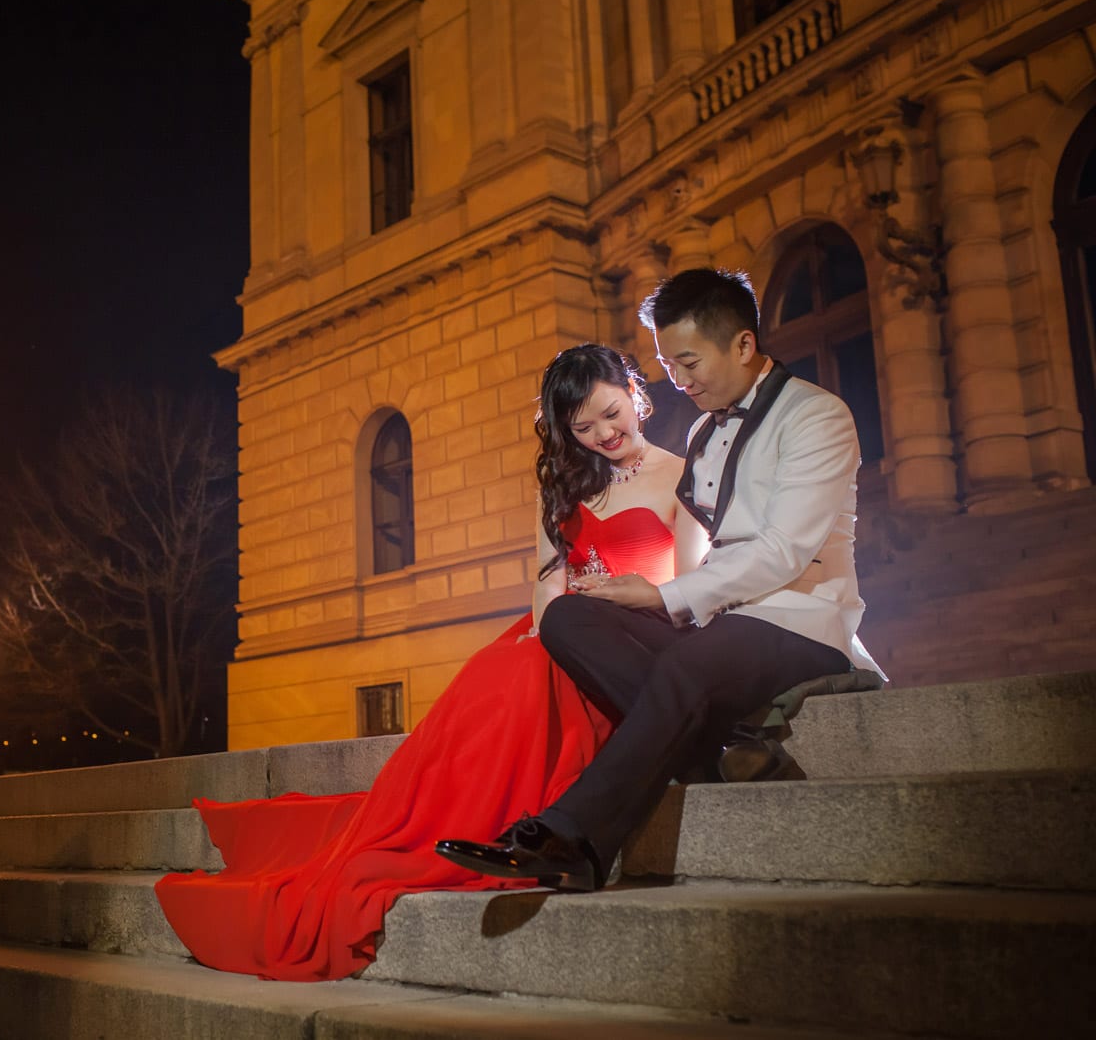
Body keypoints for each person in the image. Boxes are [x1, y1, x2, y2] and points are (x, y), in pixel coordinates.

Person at [155, 343, 690, 981]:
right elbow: (549, 578)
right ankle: (440, 813)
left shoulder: (682, 475)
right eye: (584, 428)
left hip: (630, 639)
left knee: (521, 677)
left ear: (633, 391)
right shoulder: (563, 482)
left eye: (610, 414)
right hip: (557, 632)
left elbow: (693, 588)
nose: (604, 435)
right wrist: (549, 632)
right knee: (495, 673)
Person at [436, 267, 885, 894]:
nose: (678, 380)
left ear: (743, 345)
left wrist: (664, 595)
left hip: (799, 619)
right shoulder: (705, 429)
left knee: (686, 667)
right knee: (568, 617)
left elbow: (784, 551)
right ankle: (723, 749)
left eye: (688, 362)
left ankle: (574, 837)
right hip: (723, 624)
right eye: (669, 366)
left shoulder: (816, 416)